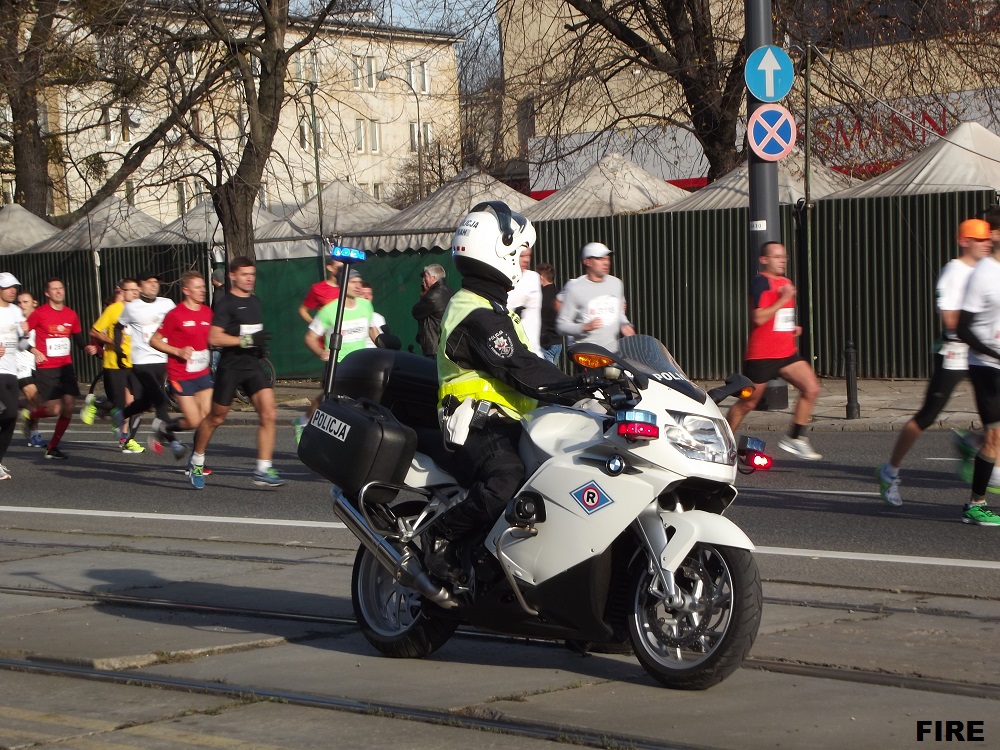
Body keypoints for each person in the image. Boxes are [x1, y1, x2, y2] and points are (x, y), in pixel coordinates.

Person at [427, 201, 588, 582]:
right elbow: (519, 367)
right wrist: (582, 387)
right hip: (476, 423)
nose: (521, 263)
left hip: (508, 420)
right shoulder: (474, 312)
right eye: (518, 254)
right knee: (507, 480)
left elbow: (531, 363)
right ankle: (442, 535)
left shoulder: (494, 308)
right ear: (496, 252)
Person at [877, 219, 992, 506]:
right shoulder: (953, 272)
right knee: (928, 415)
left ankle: (976, 443)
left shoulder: (984, 271)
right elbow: (952, 321)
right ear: (965, 241)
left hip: (980, 356)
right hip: (954, 353)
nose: (987, 243)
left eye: (988, 239)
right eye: (980, 240)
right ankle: (890, 471)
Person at [725, 241, 823, 461]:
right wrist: (783, 299)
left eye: (784, 257)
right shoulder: (760, 282)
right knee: (747, 403)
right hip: (762, 355)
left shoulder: (786, 282)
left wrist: (791, 329)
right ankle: (723, 441)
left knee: (811, 388)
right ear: (764, 260)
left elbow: (778, 319)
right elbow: (758, 317)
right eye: (777, 257)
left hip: (786, 352)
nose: (782, 261)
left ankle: (795, 438)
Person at [189, 256, 282, 489]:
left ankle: (262, 469)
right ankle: (197, 460)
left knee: (269, 413)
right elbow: (213, 338)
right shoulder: (225, 303)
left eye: (252, 274)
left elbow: (252, 336)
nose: (250, 278)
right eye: (244, 274)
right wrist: (247, 339)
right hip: (230, 368)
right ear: (232, 276)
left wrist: (258, 346)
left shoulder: (255, 302)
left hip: (252, 366)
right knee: (216, 417)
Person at [295, 270, 380, 443]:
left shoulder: (365, 306)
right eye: (353, 282)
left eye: (359, 282)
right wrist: (320, 352)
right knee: (328, 401)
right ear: (342, 285)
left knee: (362, 402)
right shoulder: (329, 311)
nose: (358, 286)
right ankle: (304, 422)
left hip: (361, 364)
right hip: (338, 365)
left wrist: (384, 347)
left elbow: (372, 329)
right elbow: (309, 337)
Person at [955, 219, 1000, 526]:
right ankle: (976, 504)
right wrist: (995, 353)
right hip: (986, 367)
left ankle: (972, 442)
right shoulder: (982, 275)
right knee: (994, 437)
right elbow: (962, 328)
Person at [23, 277, 92, 460]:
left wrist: (88, 347)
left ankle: (52, 447)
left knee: (69, 405)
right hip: (46, 367)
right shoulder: (39, 313)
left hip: (65, 367)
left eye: (61, 288)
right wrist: (34, 349)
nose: (59, 291)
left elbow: (78, 339)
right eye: (54, 289)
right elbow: (21, 339)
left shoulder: (71, 314)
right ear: (47, 293)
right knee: (53, 410)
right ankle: (31, 416)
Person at [150, 271, 214, 459]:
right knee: (194, 420)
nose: (203, 291)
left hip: (202, 373)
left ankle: (196, 461)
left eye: (203, 287)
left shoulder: (207, 311)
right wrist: (178, 351)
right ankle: (164, 427)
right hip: (181, 375)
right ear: (186, 290)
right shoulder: (175, 315)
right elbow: (155, 340)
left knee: (207, 420)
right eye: (198, 288)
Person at [114, 272, 176, 454]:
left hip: (163, 359)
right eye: (149, 282)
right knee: (160, 402)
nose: (153, 285)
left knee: (144, 404)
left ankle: (121, 415)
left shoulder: (168, 304)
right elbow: (118, 327)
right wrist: (119, 351)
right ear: (140, 287)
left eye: (155, 282)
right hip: (142, 362)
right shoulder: (132, 307)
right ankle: (172, 442)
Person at [81, 278, 140, 447]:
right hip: (114, 364)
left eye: (137, 290)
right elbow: (94, 331)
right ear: (123, 291)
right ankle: (96, 402)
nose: (135, 293)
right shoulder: (114, 309)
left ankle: (124, 437)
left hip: (133, 363)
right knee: (120, 404)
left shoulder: (138, 311)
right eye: (130, 290)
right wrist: (112, 342)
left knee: (133, 404)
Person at [555, 242, 635, 352]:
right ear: (587, 262)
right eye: (600, 259)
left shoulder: (616, 284)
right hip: (587, 354)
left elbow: (618, 312)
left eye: (607, 259)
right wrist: (584, 327)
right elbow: (561, 326)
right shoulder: (575, 288)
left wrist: (624, 324)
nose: (606, 263)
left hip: (613, 353)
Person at [0, 274, 29, 478]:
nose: (13, 290)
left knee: (11, 417)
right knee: (9, 412)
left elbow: (21, 345)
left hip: (12, 370)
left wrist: (26, 336)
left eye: (15, 287)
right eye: (8, 287)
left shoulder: (16, 311)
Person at [15, 291, 46, 448]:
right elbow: (20, 343)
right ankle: (34, 435)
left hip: (37, 365)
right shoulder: (18, 322)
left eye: (25, 302)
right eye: (19, 302)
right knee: (33, 397)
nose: (22, 305)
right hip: (21, 366)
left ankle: (17, 407)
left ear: (34, 303)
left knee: (36, 401)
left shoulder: (40, 320)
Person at [507, 245, 543, 356]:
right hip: (515, 352)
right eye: (522, 256)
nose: (526, 260)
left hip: (535, 351)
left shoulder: (534, 278)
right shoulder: (504, 281)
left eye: (528, 255)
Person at [412, 263, 453, 357]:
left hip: (433, 348)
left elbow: (416, 312)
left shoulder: (432, 296)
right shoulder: (450, 291)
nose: (423, 280)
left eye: (425, 276)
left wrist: (424, 295)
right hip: (448, 345)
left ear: (433, 278)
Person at [298, 258, 342, 324]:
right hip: (328, 333)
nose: (343, 269)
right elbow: (302, 310)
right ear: (330, 267)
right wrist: (316, 326)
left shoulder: (351, 286)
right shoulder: (318, 288)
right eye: (340, 267)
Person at [537, 263, 562, 365]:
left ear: (541, 277)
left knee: (545, 376)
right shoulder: (559, 295)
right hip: (557, 343)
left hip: (544, 343)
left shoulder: (540, 297)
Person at [359, 281, 388, 348]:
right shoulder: (351, 317)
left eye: (369, 294)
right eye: (363, 294)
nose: (366, 297)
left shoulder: (379, 318)